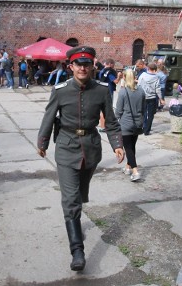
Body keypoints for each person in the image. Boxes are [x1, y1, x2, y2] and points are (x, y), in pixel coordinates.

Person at [37, 46, 124, 272]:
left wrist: (117, 144)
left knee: (80, 192)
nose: (82, 68)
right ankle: (77, 250)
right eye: (78, 64)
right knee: (71, 199)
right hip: (66, 147)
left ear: (92, 66)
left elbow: (111, 121)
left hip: (91, 148)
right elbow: (49, 116)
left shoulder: (103, 90)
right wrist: (43, 141)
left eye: (87, 64)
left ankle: (76, 209)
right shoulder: (60, 90)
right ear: (71, 67)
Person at [115, 69, 145, 182]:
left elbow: (118, 110)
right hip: (138, 123)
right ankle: (128, 167)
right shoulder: (141, 91)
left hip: (126, 123)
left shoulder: (123, 92)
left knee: (128, 148)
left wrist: (114, 121)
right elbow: (143, 108)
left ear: (124, 77)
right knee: (132, 146)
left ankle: (135, 171)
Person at [137, 62, 164, 136]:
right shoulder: (156, 78)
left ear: (148, 68)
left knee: (143, 113)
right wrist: (161, 99)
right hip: (151, 98)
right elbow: (158, 89)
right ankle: (147, 130)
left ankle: (142, 127)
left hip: (143, 97)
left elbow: (138, 85)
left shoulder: (142, 75)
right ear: (155, 69)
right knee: (150, 114)